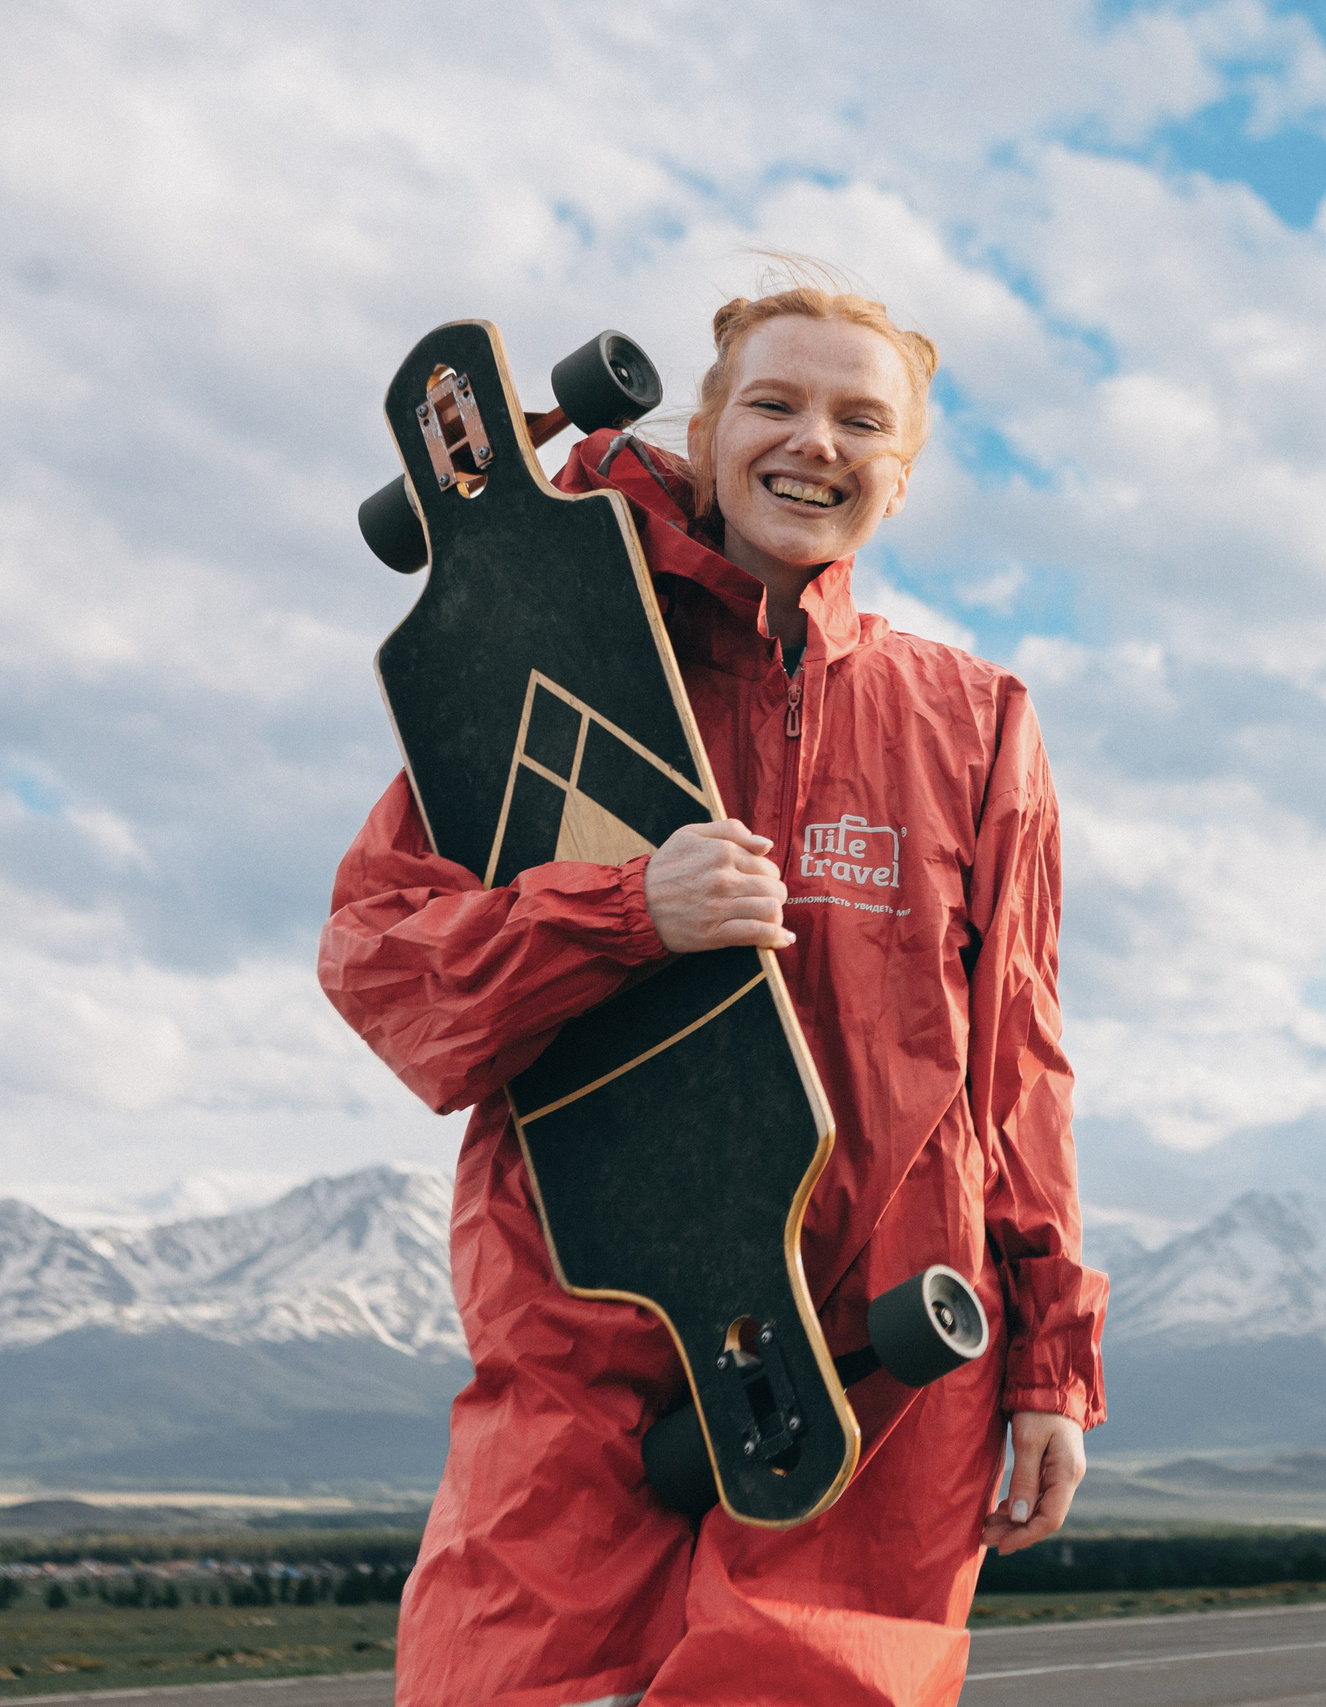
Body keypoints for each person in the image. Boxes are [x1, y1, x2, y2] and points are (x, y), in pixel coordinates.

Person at [319, 270, 1106, 1707]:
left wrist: (1049, 1361)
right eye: (779, 403)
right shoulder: (548, 659)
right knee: (509, 1684)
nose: (819, 442)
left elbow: (1019, 1066)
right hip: (588, 1299)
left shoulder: (975, 721)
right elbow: (381, 960)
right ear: (706, 428)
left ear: (905, 474)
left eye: (864, 420)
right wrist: (623, 914)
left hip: (879, 1333)